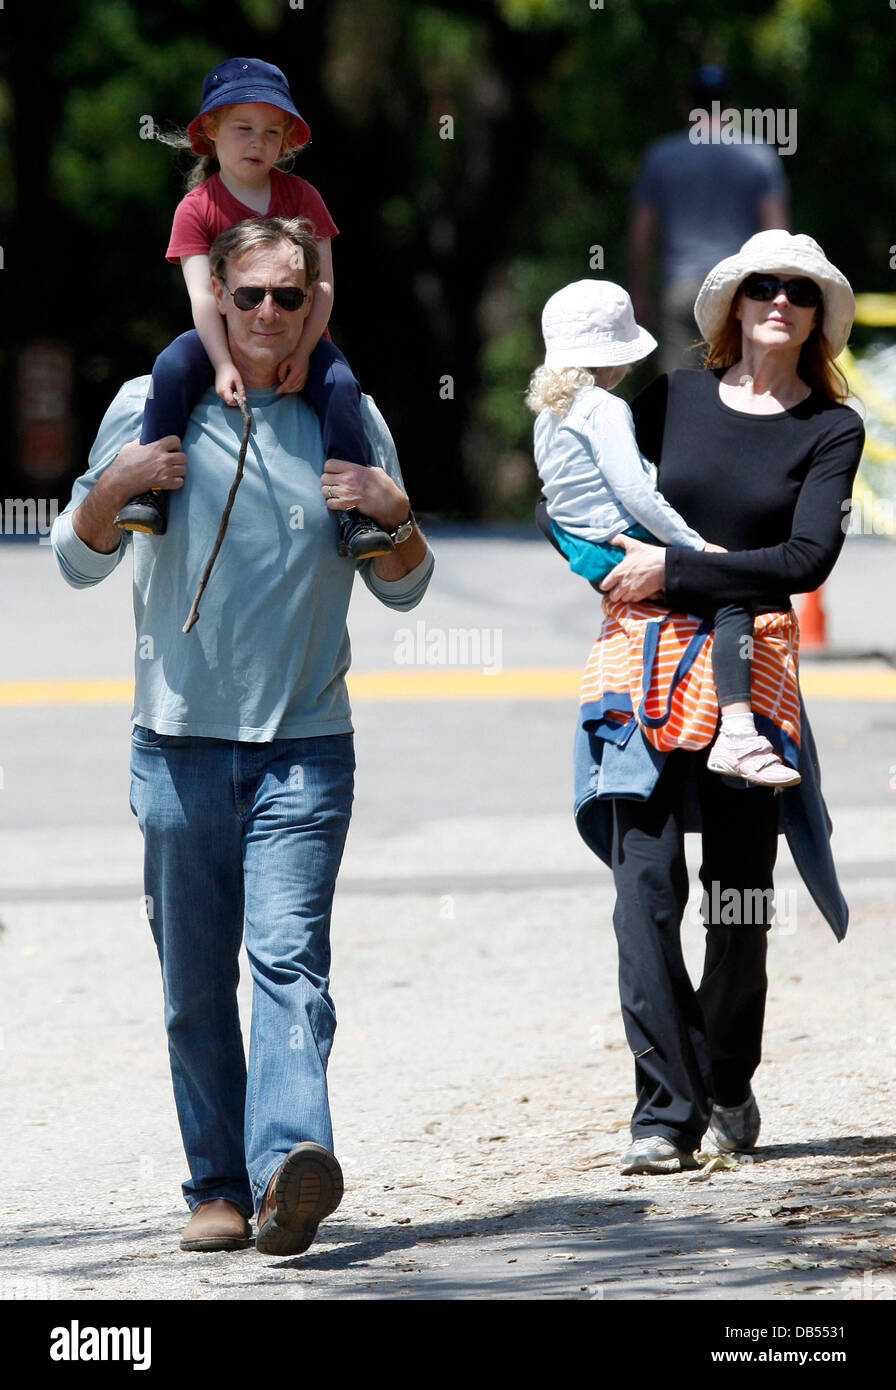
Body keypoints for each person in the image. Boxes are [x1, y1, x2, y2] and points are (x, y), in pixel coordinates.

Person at [51, 215, 433, 1254]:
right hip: (175, 748)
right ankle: (215, 1186)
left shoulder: (345, 416)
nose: (272, 313)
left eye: (291, 296)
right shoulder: (150, 405)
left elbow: (406, 591)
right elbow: (74, 563)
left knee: (287, 961)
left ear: (315, 303)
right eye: (252, 295)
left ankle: (288, 1167)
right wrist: (113, 494)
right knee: (192, 984)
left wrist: (396, 517)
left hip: (307, 747)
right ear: (215, 296)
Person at [538, 230, 863, 1175]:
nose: (778, 300)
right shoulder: (670, 395)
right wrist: (599, 565)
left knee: (737, 902)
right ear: (730, 305)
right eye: (760, 284)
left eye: (798, 290)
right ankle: (662, 1111)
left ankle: (725, 1076)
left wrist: (675, 568)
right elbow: (578, 484)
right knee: (642, 891)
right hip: (633, 664)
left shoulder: (831, 430)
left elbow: (806, 562)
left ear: (815, 315)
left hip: (747, 672)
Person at [115, 55, 392, 560]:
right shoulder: (196, 207)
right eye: (243, 128)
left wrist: (307, 351)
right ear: (212, 132)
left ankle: (353, 514)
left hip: (299, 334)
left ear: (285, 140)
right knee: (173, 365)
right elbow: (203, 296)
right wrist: (221, 362)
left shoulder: (303, 196)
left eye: (271, 132)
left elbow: (324, 286)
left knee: (341, 386)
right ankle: (149, 488)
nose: (257, 142)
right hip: (220, 336)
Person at [528, 278, 800, 788]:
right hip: (627, 537)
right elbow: (636, 493)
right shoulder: (604, 408)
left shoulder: (549, 413)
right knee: (732, 596)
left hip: (589, 550)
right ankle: (739, 735)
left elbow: (551, 498)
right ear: (611, 355)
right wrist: (695, 548)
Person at [629, 65, 790, 373]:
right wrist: (778, 291)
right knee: (737, 387)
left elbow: (642, 231)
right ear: (730, 107)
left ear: (688, 105)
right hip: (736, 290)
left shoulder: (661, 156)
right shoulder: (759, 156)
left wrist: (639, 291)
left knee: (678, 392)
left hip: (679, 286)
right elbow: (777, 231)